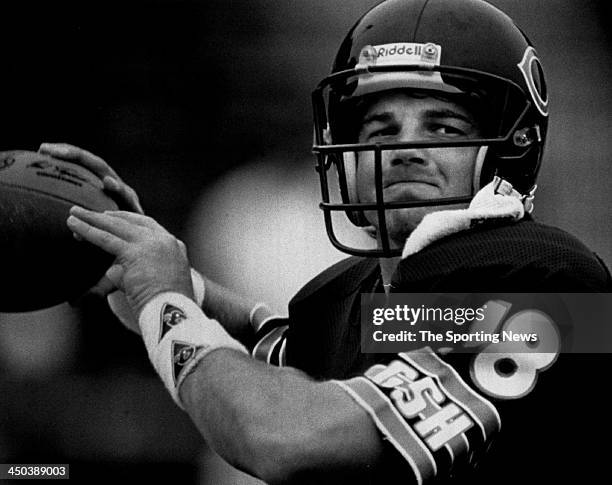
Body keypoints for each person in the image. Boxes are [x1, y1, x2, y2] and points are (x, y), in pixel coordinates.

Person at [49, 0, 611, 483]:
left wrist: (165, 303)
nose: (404, 150)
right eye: (380, 130)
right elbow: (285, 351)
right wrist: (155, 267)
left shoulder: (555, 287)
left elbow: (285, 436)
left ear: (512, 146)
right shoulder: (362, 295)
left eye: (443, 128)